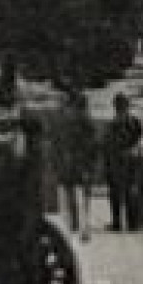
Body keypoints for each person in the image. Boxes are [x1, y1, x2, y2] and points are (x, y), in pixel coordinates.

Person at [56, 88, 97, 241]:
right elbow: (91, 145)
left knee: (65, 198)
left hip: (66, 163)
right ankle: (83, 229)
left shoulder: (61, 120)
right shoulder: (85, 121)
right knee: (81, 198)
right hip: (80, 164)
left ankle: (67, 229)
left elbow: (57, 145)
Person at [103, 92, 141, 231]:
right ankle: (129, 223)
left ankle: (119, 222)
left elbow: (108, 146)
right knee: (125, 193)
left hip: (120, 163)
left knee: (119, 193)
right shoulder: (132, 122)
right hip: (125, 163)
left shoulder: (116, 123)